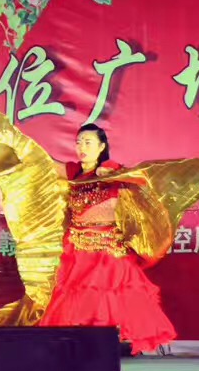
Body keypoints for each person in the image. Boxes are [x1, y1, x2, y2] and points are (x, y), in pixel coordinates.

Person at [35, 124, 177, 354]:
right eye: (78, 142)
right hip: (78, 246)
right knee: (77, 295)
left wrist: (112, 172)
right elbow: (45, 163)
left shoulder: (112, 171)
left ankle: (112, 343)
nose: (81, 147)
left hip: (107, 246)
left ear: (101, 146)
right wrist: (20, 147)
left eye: (88, 142)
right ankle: (81, 344)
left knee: (110, 293)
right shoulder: (74, 172)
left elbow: (140, 180)